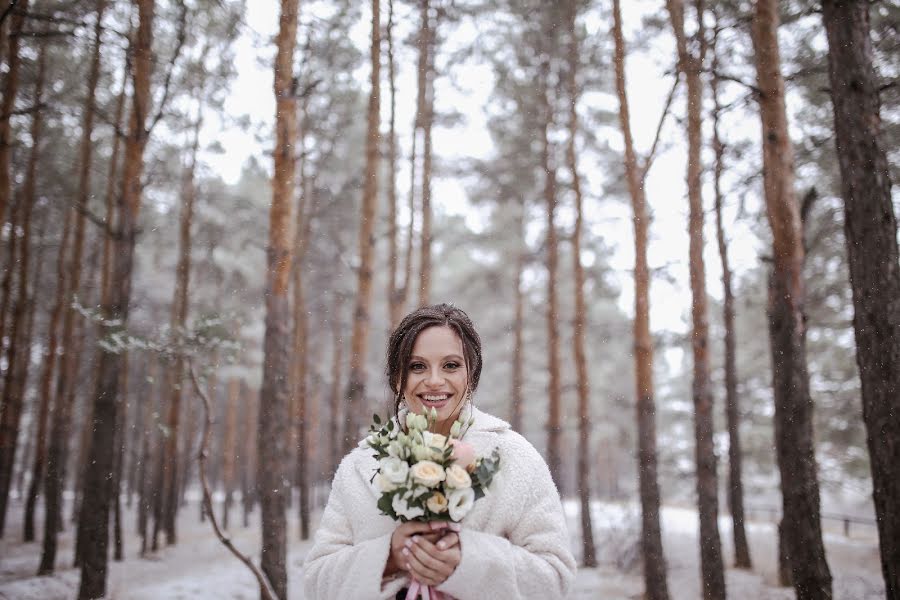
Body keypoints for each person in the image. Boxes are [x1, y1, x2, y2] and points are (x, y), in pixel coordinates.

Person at [303, 304, 576, 599]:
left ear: (471, 376)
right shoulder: (360, 465)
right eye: (417, 366)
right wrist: (388, 557)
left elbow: (556, 580)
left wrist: (468, 562)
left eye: (451, 365)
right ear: (397, 378)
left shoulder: (514, 456)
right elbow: (316, 583)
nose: (434, 380)